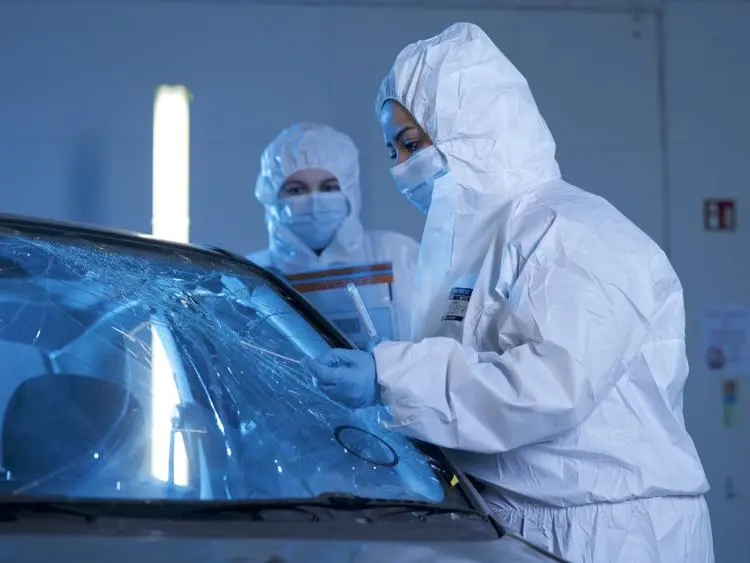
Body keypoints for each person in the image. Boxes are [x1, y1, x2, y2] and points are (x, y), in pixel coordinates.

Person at [304, 22, 714, 563]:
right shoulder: (478, 247)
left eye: (412, 144)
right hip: (517, 520)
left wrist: (392, 377)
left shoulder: (568, 233)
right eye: (392, 152)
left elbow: (549, 384)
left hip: (607, 531)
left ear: (475, 127)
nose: (402, 168)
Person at [248, 122, 419, 342]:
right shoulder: (253, 275)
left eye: (329, 188)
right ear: (271, 197)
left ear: (351, 191)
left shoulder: (396, 254)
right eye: (296, 190)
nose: (315, 200)